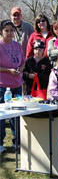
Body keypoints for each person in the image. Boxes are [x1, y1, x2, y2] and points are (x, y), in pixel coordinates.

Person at [0, 20, 25, 153]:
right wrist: (8, 70)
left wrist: (21, 68)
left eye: (11, 30)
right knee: (2, 115)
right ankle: (0, 142)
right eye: (6, 30)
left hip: (17, 84)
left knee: (16, 114)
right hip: (2, 86)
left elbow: (23, 61)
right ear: (1, 32)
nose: (10, 33)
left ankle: (17, 141)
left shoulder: (17, 45)